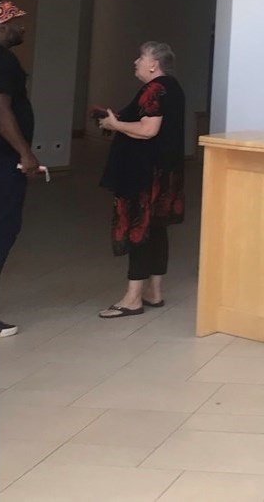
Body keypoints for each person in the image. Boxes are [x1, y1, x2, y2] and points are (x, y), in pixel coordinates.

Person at [93, 40, 187, 318]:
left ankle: (132, 299)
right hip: (164, 172)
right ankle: (154, 292)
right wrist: (116, 122)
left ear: (153, 64)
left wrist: (115, 124)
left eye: (141, 57)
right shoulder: (173, 87)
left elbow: (148, 130)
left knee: (139, 229)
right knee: (157, 229)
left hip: (144, 174)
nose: (135, 62)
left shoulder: (154, 89)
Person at [0, 1, 40, 337]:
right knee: (1, 228)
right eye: (16, 22)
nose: (22, 28)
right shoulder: (1, 60)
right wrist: (25, 153)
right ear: (1, 27)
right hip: (1, 161)